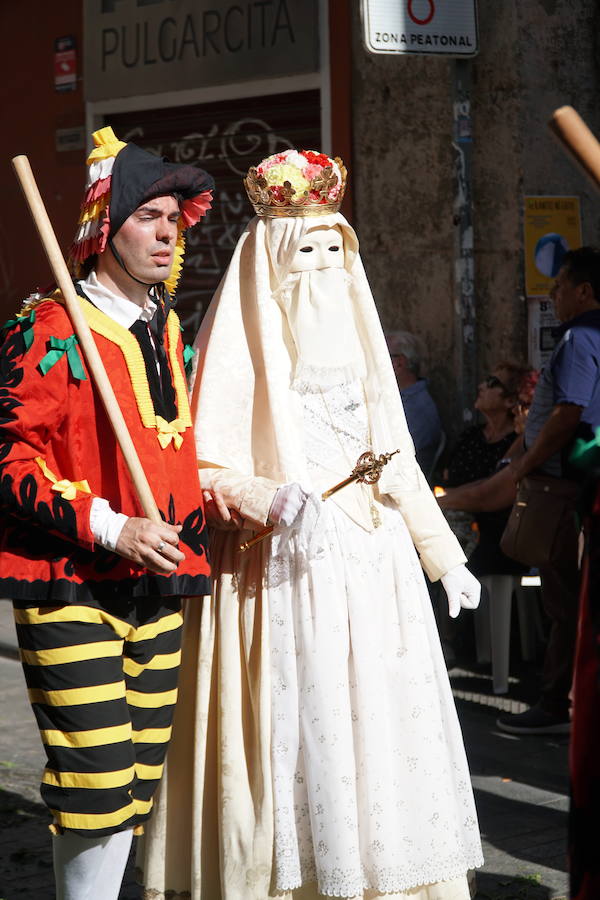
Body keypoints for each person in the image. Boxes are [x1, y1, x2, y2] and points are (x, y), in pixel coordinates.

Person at [141, 149, 483, 900]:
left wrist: (441, 556)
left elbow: (393, 461)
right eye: (310, 251)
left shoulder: (363, 358)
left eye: (337, 249)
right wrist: (265, 497)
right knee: (305, 742)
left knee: (383, 738)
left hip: (378, 579)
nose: (326, 265)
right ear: (272, 262)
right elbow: (199, 467)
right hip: (289, 585)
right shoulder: (240, 353)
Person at [0, 126, 213, 900]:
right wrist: (111, 524)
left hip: (165, 584)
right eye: (148, 216)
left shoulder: (172, 327)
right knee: (93, 787)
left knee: (133, 791)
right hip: (72, 582)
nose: (167, 233)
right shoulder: (50, 328)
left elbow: (176, 454)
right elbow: (7, 460)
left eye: (174, 219)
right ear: (103, 227)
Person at [496, 247, 600, 735]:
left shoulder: (581, 338)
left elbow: (569, 412)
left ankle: (557, 702)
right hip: (576, 479)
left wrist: (528, 463)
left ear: (583, 291)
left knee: (562, 596)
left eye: (559, 287)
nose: (553, 295)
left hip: (564, 482)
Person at [386, 330, 443, 478]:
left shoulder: (418, 407)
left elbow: (402, 458)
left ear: (399, 363)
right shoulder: (400, 398)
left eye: (381, 356)